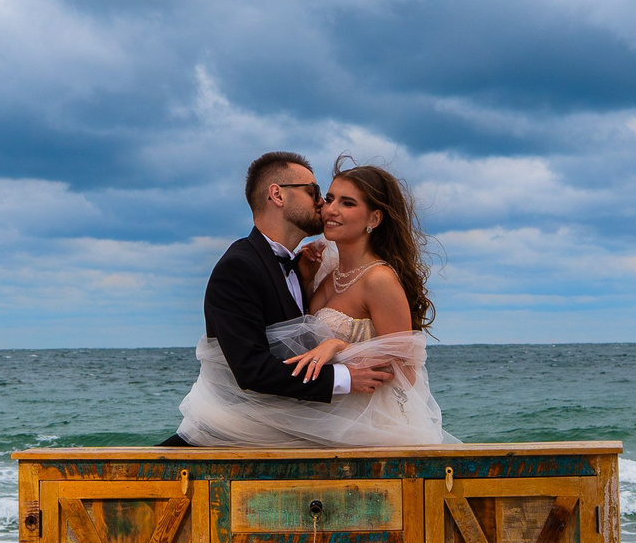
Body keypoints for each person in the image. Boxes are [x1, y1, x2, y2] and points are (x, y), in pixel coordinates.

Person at [171, 154, 450, 447]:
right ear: (277, 194)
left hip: (362, 427)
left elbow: (406, 370)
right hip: (291, 422)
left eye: (347, 202)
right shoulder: (306, 272)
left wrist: (341, 347)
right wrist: (305, 283)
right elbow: (256, 366)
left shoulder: (377, 278)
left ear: (374, 218)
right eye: (320, 195)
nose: (326, 207)